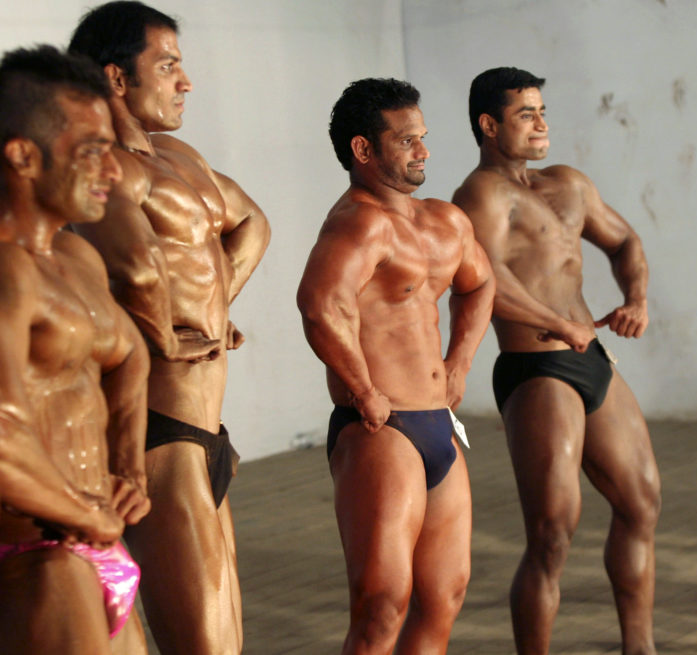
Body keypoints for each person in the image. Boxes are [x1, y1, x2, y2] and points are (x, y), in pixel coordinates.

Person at [68, 3, 271, 652]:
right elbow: (109, 275)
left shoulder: (179, 157)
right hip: (157, 436)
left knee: (228, 640)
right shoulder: (98, 171)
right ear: (116, 80)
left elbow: (253, 222)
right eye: (168, 66)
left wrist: (216, 308)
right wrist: (156, 331)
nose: (185, 83)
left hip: (207, 432)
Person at [452, 66, 661, 655]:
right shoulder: (481, 195)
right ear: (488, 125)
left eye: (542, 111)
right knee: (552, 533)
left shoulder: (567, 184)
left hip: (591, 360)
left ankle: (638, 647)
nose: (541, 122)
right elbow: (484, 278)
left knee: (642, 501)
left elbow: (624, 242)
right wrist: (556, 322)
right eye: (525, 114)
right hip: (537, 368)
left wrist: (636, 299)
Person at [296, 77, 494, 654]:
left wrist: (458, 364)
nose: (424, 151)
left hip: (438, 425)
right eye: (407, 141)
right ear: (364, 150)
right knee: (382, 605)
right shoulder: (358, 223)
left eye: (423, 138)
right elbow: (319, 306)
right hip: (382, 431)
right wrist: (362, 390)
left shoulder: (445, 221)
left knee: (444, 596)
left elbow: (479, 285)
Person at [0, 45, 150, 654]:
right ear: (22, 156)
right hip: (34, 558)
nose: (112, 172)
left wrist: (128, 466)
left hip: (95, 545)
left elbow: (130, 355)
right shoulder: (7, 272)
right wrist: (86, 517)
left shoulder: (76, 258)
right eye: (92, 152)